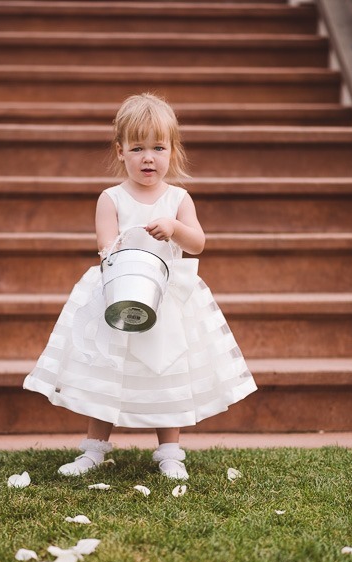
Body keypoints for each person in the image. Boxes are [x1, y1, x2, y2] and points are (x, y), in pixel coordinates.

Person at [23, 93, 257, 480]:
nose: (148, 157)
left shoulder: (178, 199)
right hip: (119, 291)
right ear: (121, 151)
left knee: (167, 369)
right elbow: (106, 247)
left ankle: (169, 450)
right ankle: (94, 449)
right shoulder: (111, 198)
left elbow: (197, 242)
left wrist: (175, 228)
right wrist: (129, 245)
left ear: (172, 151)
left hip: (168, 299)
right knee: (109, 369)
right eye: (137, 148)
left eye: (158, 147)